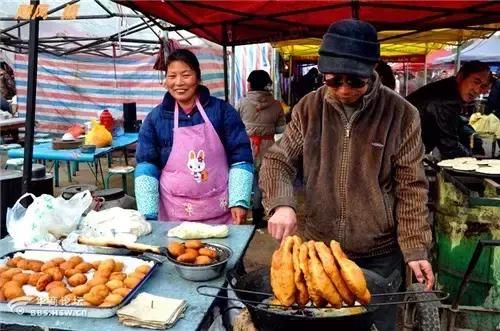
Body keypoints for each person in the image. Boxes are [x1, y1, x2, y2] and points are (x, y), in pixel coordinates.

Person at [259, 19, 433, 331]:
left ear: (373, 70)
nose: (343, 90)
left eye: (355, 82)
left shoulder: (402, 114)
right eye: (333, 80)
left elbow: (411, 188)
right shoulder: (308, 109)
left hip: (378, 256)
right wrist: (280, 203)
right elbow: (278, 160)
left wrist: (416, 248)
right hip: (318, 249)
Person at [135, 49, 254, 224]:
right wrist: (148, 214)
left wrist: (239, 201)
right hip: (173, 215)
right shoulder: (155, 119)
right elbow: (146, 165)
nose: (178, 82)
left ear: (198, 78)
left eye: (186, 75)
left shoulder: (222, 111)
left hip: (220, 210)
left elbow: (241, 157)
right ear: (165, 81)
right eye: (172, 76)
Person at [407, 61, 492, 159]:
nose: (477, 90)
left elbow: (457, 125)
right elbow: (450, 147)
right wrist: (474, 161)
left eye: (483, 86)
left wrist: (474, 141)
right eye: (476, 82)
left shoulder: (448, 89)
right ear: (461, 76)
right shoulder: (446, 99)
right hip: (400, 153)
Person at [237, 70, 286, 228]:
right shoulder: (277, 104)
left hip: (245, 146)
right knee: (261, 183)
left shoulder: (242, 103)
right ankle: (258, 217)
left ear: (250, 84)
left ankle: (240, 214)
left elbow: (234, 126)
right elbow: (280, 130)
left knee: (243, 178)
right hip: (267, 147)